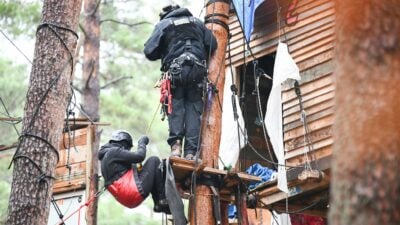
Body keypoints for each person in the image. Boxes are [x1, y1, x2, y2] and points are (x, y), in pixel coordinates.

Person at [144, 4, 218, 160]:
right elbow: (213, 44)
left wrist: (166, 48)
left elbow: (149, 51)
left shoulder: (164, 24)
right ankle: (191, 152)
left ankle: (176, 147)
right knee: (193, 109)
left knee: (175, 107)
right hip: (197, 72)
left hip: (176, 72)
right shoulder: (197, 23)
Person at [98, 130, 169, 213]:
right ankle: (161, 200)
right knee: (154, 160)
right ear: (123, 143)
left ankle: (158, 205)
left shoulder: (106, 159)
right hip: (132, 191)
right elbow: (139, 156)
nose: (128, 150)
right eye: (128, 147)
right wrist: (142, 143)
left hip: (126, 199)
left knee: (150, 170)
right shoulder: (114, 152)